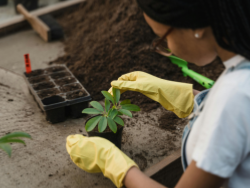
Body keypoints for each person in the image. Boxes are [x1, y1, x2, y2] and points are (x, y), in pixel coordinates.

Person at [66, 0, 250, 188]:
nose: (168, 49)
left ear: (196, 27)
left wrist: (115, 165)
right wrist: (189, 97)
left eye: (163, 39)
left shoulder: (234, 96)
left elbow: (234, 105)